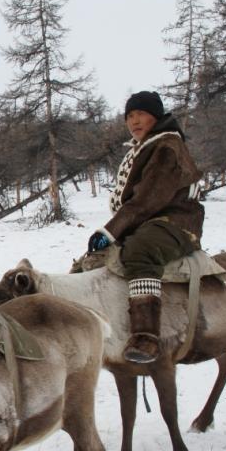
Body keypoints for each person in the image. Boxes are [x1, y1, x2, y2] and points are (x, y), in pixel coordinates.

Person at [87, 90, 204, 363]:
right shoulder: (144, 147)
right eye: (129, 116)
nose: (134, 121)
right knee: (93, 261)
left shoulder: (166, 147)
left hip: (175, 222)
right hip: (148, 220)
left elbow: (147, 199)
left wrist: (110, 231)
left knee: (140, 251)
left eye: (141, 114)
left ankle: (146, 336)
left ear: (156, 116)